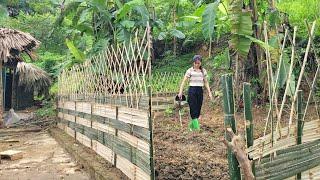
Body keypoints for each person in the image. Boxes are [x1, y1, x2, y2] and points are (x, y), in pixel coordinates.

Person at [178, 55, 212, 131]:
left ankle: (191, 127)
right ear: (193, 63)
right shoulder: (189, 71)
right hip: (192, 91)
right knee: (193, 109)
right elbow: (184, 82)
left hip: (200, 90)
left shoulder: (203, 71)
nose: (197, 64)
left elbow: (206, 82)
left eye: (198, 63)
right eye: (195, 63)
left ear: (201, 63)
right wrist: (180, 92)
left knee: (198, 109)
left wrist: (209, 92)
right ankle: (197, 129)